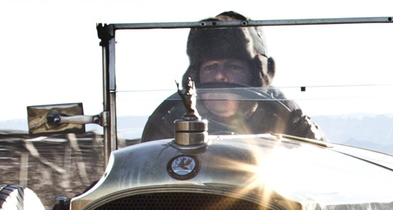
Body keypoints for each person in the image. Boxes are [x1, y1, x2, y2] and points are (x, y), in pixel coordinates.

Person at [139, 11, 325, 143]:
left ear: (254, 75)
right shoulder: (173, 118)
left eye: (233, 67)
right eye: (211, 67)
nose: (220, 76)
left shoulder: (283, 113)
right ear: (196, 76)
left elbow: (320, 160)